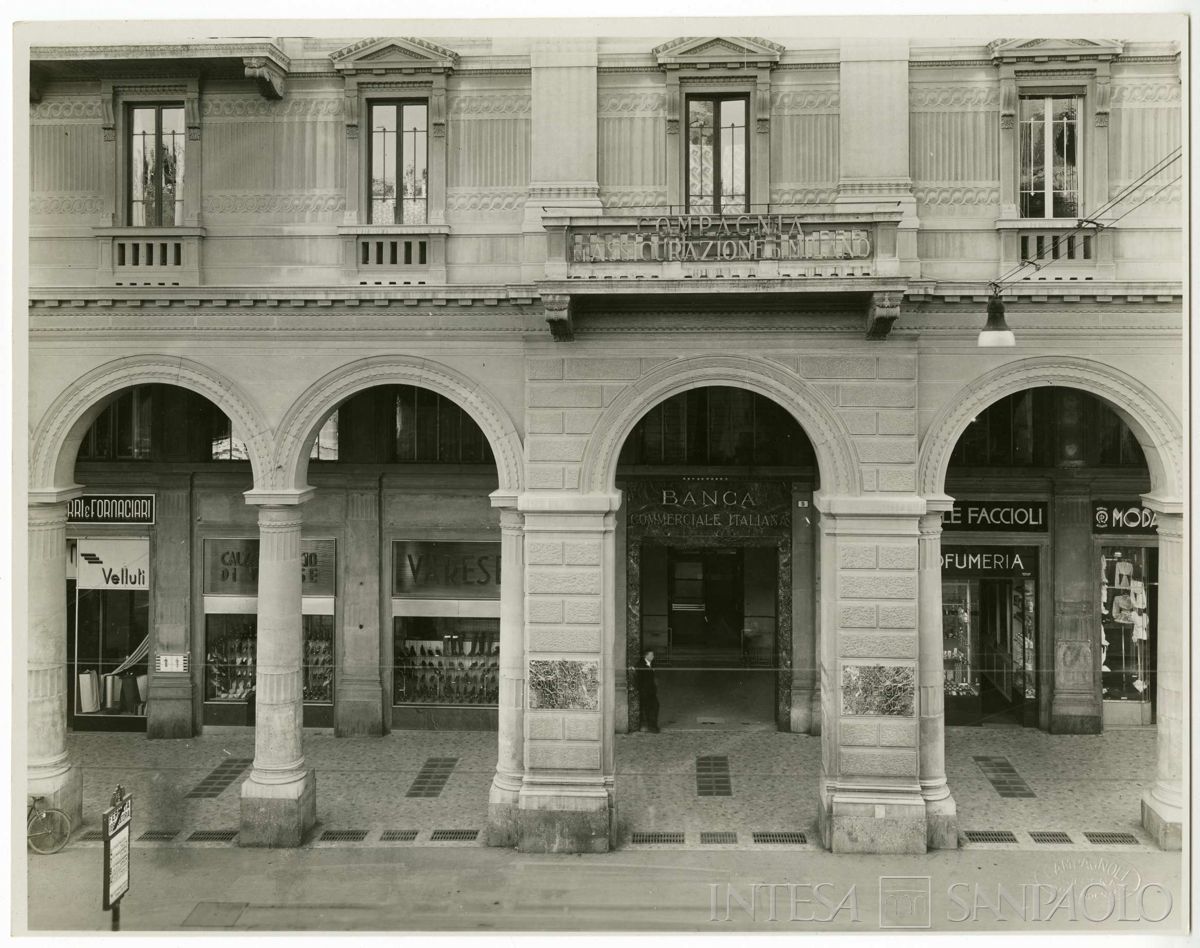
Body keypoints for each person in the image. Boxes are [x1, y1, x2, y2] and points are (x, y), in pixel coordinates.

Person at [635, 649, 659, 733]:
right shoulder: (641, 665)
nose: (653, 657)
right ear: (646, 656)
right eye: (651, 655)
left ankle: (653, 726)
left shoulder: (651, 663)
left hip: (651, 691)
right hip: (645, 692)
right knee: (649, 708)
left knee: (655, 707)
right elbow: (638, 679)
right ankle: (651, 727)